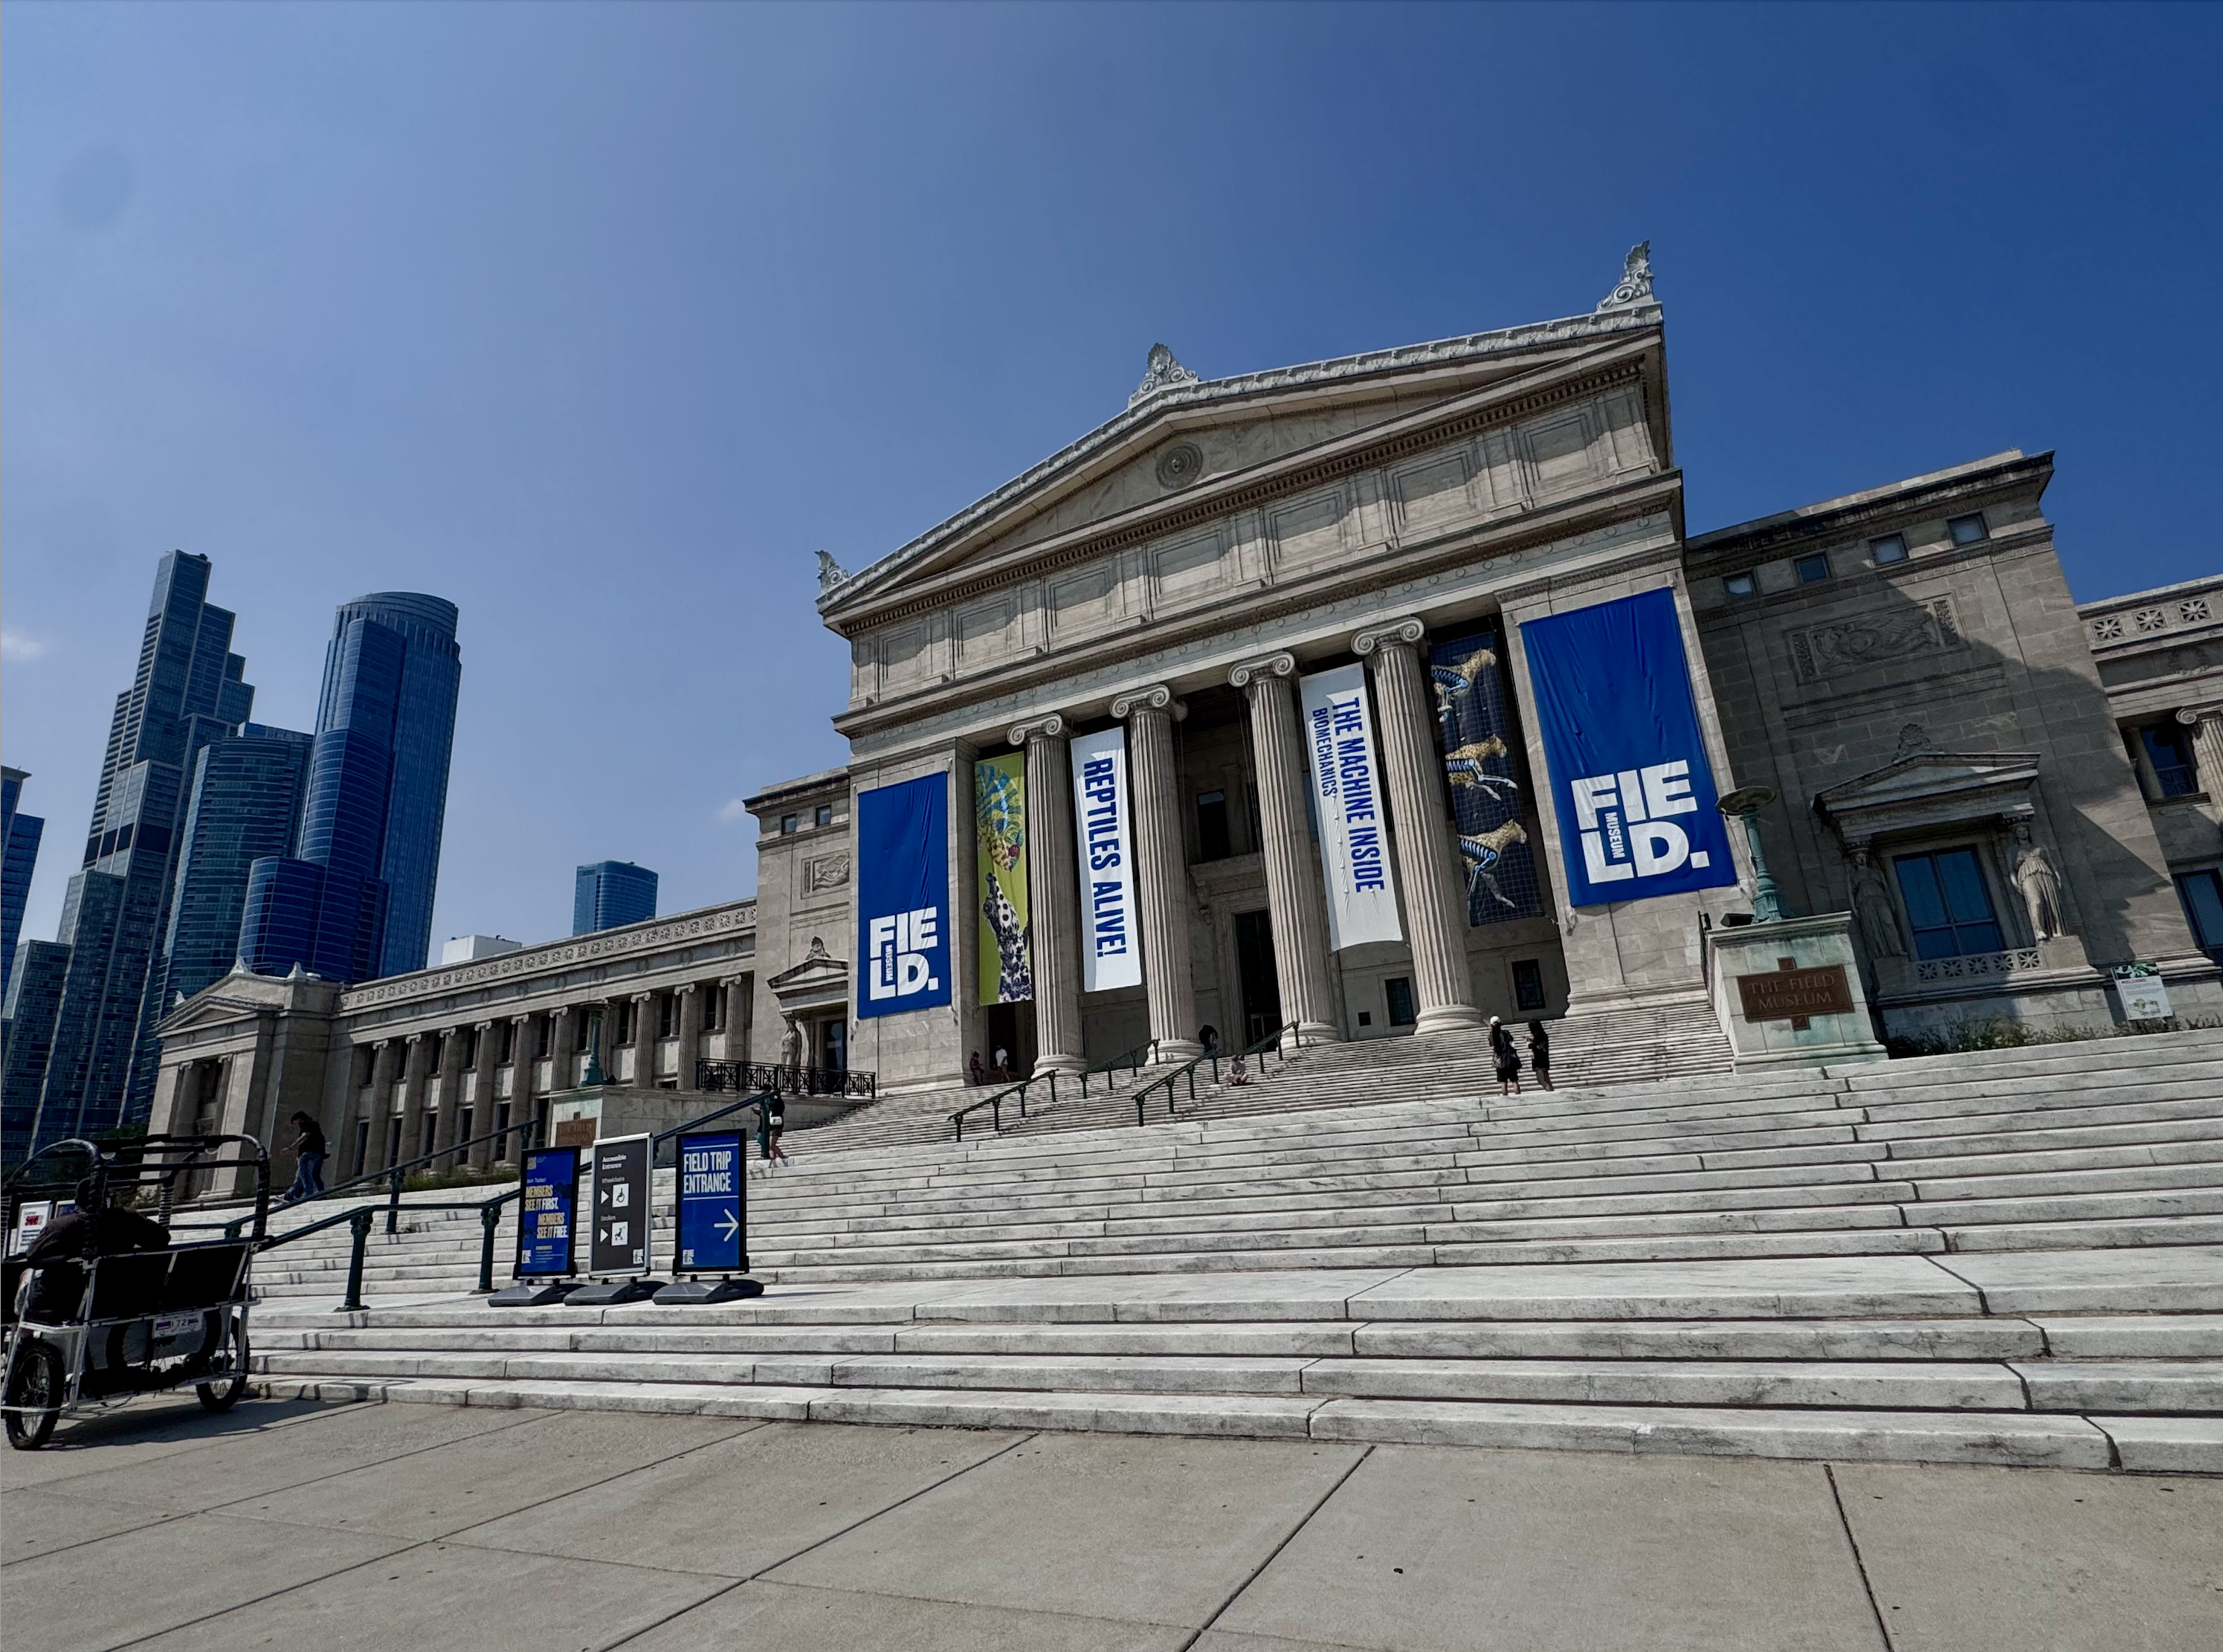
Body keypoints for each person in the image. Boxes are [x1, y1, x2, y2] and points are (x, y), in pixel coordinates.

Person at [20, 1178, 170, 1320]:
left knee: (27, 1274)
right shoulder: (128, 1219)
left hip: (71, 1302)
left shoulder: (61, 1226)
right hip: (123, 1296)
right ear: (106, 1198)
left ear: (77, 1201)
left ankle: (25, 1339)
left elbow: (33, 1256)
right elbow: (162, 1238)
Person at [283, 1111, 328, 1204]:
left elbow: (305, 1136)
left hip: (307, 1155)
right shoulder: (315, 1126)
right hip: (318, 1154)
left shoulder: (307, 1124)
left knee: (305, 1175)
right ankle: (292, 1194)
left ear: (300, 1119)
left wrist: (292, 1146)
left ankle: (308, 1194)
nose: (297, 1124)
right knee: (314, 1175)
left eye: (296, 1122)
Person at [1488, 1016, 1522, 1097]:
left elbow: (1491, 1044)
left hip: (1500, 1060)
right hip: (1509, 1059)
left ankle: (1505, 1098)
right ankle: (1518, 1096)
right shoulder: (1506, 1033)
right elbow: (1512, 1044)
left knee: (1504, 1082)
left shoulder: (1492, 1036)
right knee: (1514, 1080)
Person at [1526, 1021, 1553, 1091]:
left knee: (1541, 1080)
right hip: (1545, 1058)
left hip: (1538, 1060)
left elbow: (1532, 1046)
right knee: (1547, 1079)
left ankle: (1549, 1092)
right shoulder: (1543, 1035)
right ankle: (1551, 1091)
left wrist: (1528, 1042)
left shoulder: (1537, 1036)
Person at [766, 1094, 788, 1169]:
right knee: (771, 1146)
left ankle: (782, 1156)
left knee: (772, 1145)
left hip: (776, 1125)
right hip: (774, 1125)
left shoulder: (776, 1103)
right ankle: (773, 1159)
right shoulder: (776, 1103)